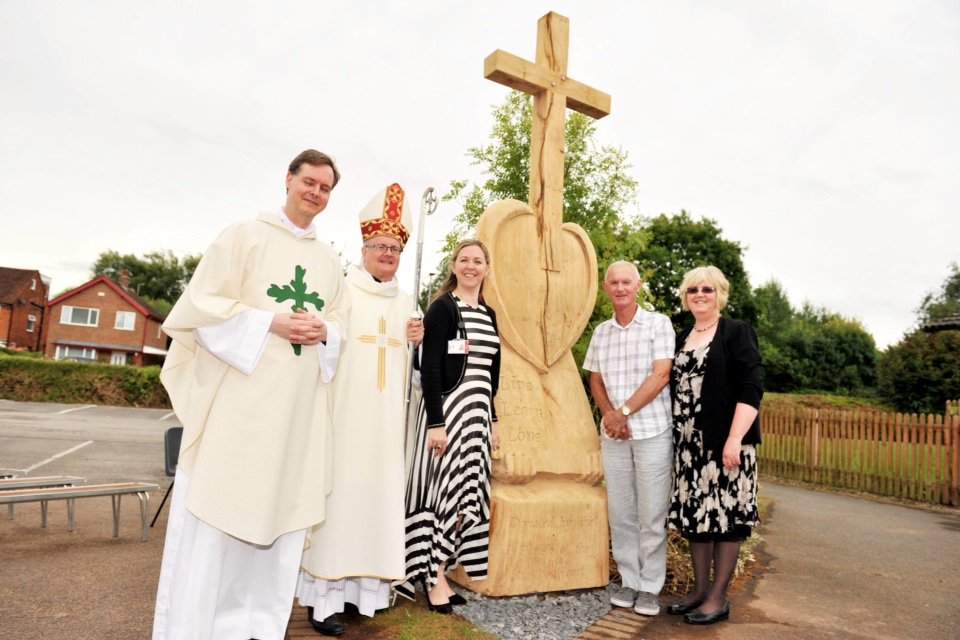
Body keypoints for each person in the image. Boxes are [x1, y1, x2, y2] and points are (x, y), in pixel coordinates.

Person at [153, 149, 349, 640]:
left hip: (295, 421)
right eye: (309, 182)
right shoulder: (243, 236)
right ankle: (199, 628)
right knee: (220, 520)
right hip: (240, 412)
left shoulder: (329, 262)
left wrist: (325, 331)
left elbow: (342, 325)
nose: (315, 193)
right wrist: (269, 322)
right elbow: (202, 307)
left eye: (325, 188)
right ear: (288, 180)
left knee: (279, 531)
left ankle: (259, 628)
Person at [296, 183, 423, 636]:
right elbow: (324, 345)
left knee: (375, 504)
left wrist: (417, 345)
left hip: (386, 425)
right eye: (380, 246)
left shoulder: (408, 302)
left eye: (395, 247)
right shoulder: (342, 290)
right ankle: (322, 601)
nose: (388, 253)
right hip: (346, 421)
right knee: (341, 504)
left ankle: (363, 595)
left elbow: (416, 377)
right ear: (364, 248)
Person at [395, 239, 501, 613]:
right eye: (464, 260)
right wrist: (436, 423)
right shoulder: (442, 309)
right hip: (448, 416)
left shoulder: (488, 314)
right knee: (443, 495)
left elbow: (492, 372)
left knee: (463, 498)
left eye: (478, 261)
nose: (471, 266)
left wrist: (492, 419)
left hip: (476, 419)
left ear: (487, 268)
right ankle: (432, 577)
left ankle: (442, 567)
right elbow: (433, 368)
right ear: (454, 266)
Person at [666, 265, 763, 625]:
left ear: (720, 293)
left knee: (725, 520)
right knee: (698, 518)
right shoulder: (680, 337)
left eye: (707, 289)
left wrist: (734, 439)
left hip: (727, 445)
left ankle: (718, 598)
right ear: (685, 296)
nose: (700, 295)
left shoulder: (736, 332)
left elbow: (751, 387)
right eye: (693, 290)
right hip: (690, 447)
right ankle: (700, 591)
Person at [583, 260, 675, 617]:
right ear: (606, 288)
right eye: (614, 282)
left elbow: (661, 374)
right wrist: (610, 415)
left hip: (652, 431)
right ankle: (629, 580)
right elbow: (595, 379)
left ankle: (650, 586)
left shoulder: (658, 324)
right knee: (621, 512)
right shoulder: (601, 332)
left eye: (627, 282)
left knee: (651, 513)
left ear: (638, 285)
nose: (620, 288)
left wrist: (623, 412)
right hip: (614, 435)